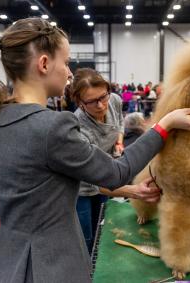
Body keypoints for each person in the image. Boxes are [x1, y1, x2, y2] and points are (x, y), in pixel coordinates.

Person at [0, 18, 190, 283]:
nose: (68, 72)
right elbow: (117, 172)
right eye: (65, 62)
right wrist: (165, 125)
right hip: (56, 268)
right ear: (43, 64)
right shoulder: (52, 127)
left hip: (0, 267)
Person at [71, 68, 149, 253]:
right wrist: (134, 191)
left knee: (103, 227)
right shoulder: (79, 129)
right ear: (80, 102)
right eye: (92, 101)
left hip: (105, 172)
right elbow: (96, 183)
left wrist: (119, 142)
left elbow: (120, 123)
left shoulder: (113, 100)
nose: (100, 105)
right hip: (84, 186)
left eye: (103, 97)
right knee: (86, 238)